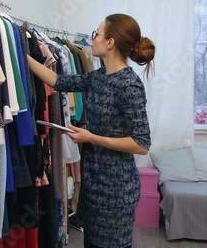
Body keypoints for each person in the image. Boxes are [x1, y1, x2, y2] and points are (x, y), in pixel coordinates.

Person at [27, 13, 154, 248]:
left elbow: (141, 144)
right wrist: (21, 56)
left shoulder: (129, 84)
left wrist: (90, 137)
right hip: (93, 182)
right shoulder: (98, 77)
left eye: (97, 34)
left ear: (110, 43)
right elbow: (57, 81)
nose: (92, 38)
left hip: (116, 188)